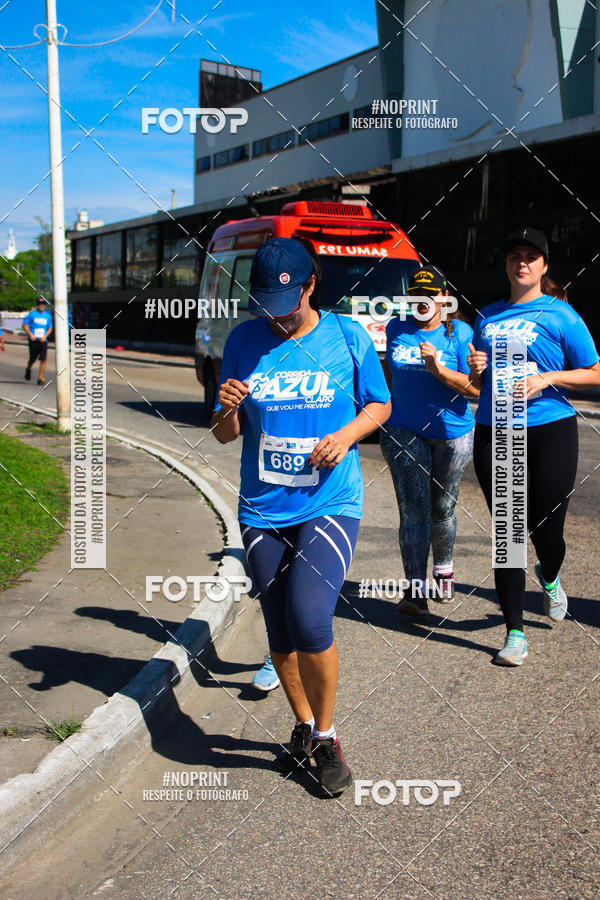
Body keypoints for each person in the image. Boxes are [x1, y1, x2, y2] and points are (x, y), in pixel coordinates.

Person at [211, 237, 391, 796]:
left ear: (311, 285)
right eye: (265, 303)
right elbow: (223, 434)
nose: (275, 315)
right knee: (281, 629)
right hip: (263, 507)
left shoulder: (345, 335)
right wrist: (226, 408)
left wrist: (345, 435)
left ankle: (329, 736)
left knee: (311, 617)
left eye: (285, 304)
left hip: (329, 499)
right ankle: (305, 727)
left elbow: (380, 404)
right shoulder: (243, 339)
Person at [468, 227, 600, 666]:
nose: (521, 262)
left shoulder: (561, 314)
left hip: (551, 430)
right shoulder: (485, 317)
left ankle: (550, 573)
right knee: (507, 534)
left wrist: (548, 377)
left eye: (530, 256)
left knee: (548, 533)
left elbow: (595, 373)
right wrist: (478, 367)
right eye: (514, 256)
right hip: (497, 430)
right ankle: (514, 632)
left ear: (544, 266)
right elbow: (477, 383)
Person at [381, 266, 479, 615]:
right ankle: (414, 592)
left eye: (431, 295)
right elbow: (390, 373)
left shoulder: (461, 333)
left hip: (453, 434)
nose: (423, 301)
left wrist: (438, 370)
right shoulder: (395, 327)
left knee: (442, 507)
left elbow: (475, 388)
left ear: (443, 298)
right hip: (403, 429)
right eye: (416, 295)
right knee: (413, 510)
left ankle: (444, 568)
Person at [23, 297, 53, 385]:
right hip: (33, 340)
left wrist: (45, 336)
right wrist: (30, 334)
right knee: (33, 358)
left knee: (43, 359)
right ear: (37, 305)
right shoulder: (32, 314)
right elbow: (24, 325)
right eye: (40, 304)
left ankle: (40, 377)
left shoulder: (48, 316)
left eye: (43, 304)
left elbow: (50, 328)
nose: (41, 305)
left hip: (43, 340)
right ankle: (28, 369)